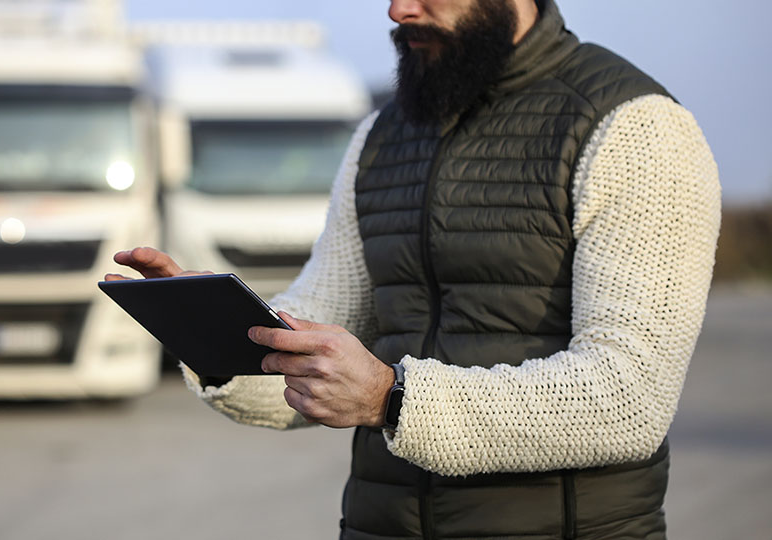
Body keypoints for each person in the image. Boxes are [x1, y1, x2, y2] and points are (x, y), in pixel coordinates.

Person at [107, 0, 721, 538]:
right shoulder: (381, 134)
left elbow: (628, 398)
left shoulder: (637, 127)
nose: (398, 10)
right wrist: (209, 333)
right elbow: (320, 326)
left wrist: (392, 398)